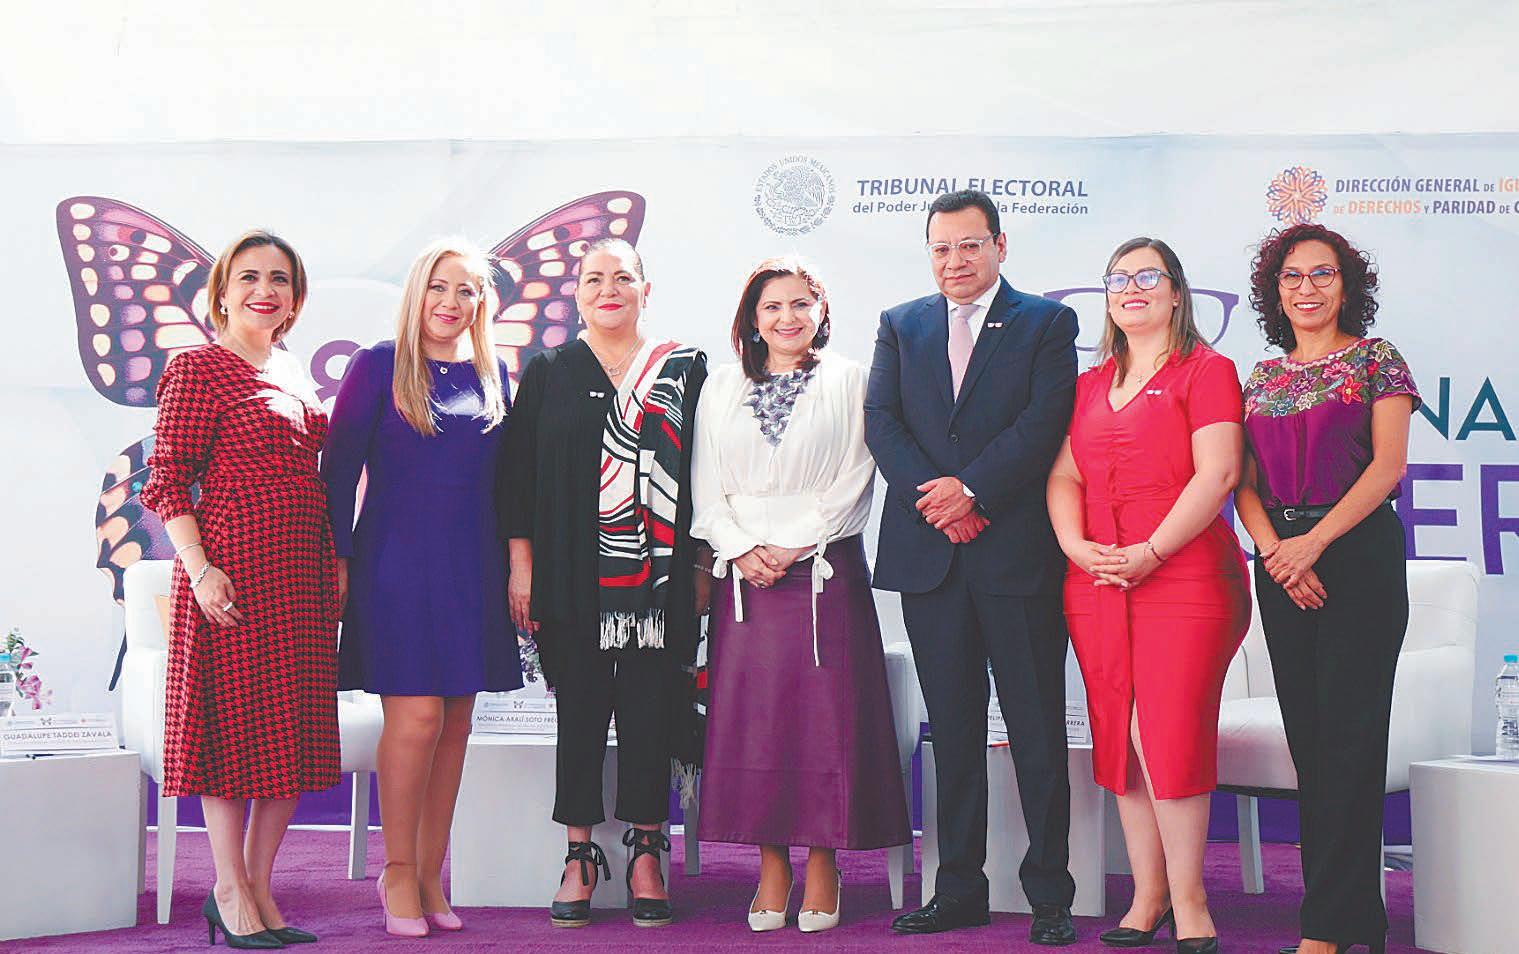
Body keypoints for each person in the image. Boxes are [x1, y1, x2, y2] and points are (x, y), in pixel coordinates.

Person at [865, 189, 1079, 945]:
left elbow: (1043, 421)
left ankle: (1049, 894)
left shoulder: (1046, 323)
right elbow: (881, 421)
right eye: (941, 248)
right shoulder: (901, 323)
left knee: (1035, 730)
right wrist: (940, 501)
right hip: (932, 559)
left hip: (1016, 557)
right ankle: (957, 889)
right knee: (952, 733)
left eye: (968, 245)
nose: (954, 260)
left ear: (999, 245)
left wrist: (973, 490)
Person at [692, 257, 911, 933]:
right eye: (771, 307)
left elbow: (857, 476)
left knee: (824, 723)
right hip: (743, 578)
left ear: (821, 312)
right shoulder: (721, 385)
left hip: (823, 570)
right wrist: (739, 547)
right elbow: (706, 485)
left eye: (800, 304)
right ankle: (771, 867)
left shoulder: (849, 379)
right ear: (751, 320)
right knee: (756, 722)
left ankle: (822, 862)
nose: (787, 318)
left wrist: (793, 545)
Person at [1047, 237, 1249, 954]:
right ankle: (1148, 894)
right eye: (1117, 278)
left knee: (1164, 732)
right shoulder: (1088, 385)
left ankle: (1191, 900)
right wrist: (1075, 547)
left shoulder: (1208, 370)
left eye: (1147, 276)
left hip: (1185, 579)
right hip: (1097, 580)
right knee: (1120, 737)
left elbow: (1218, 473)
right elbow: (1064, 476)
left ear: (1175, 293)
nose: (1131, 288)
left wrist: (1152, 552)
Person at [501, 237, 707, 929]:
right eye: (593, 278)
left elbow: (707, 474)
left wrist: (702, 568)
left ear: (646, 289)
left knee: (653, 707)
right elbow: (518, 478)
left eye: (622, 277)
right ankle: (579, 853)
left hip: (660, 579)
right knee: (581, 711)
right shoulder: (549, 369)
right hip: (568, 573)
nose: (608, 289)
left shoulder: (683, 369)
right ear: (576, 293)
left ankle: (647, 849)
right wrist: (522, 568)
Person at [140, 230, 337, 950]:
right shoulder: (197, 368)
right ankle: (227, 888)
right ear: (221, 291)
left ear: (295, 297)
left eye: (279, 279)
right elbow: (166, 479)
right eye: (249, 277)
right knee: (231, 735)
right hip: (234, 574)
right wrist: (200, 569)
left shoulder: (291, 368)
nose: (265, 290)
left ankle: (256, 888)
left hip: (301, 575)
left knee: (290, 736)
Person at [322, 238, 521, 937]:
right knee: (417, 721)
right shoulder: (378, 364)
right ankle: (398, 871)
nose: (450, 302)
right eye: (439, 286)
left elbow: (507, 482)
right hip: (395, 567)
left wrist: (517, 566)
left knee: (456, 723)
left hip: (473, 567)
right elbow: (337, 472)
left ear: (482, 302)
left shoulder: (495, 372)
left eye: (466, 290)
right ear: (417, 292)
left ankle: (433, 876)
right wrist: (339, 560)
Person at [1235, 224, 1418, 954]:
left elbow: (1387, 468)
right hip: (1280, 564)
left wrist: (1312, 544)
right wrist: (1276, 552)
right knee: (1311, 749)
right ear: (1274, 292)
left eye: (1322, 274)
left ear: (1347, 286)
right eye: (1291, 276)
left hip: (1357, 557)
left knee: (1350, 743)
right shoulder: (1259, 378)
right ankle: (1353, 922)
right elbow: (1242, 484)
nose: (1306, 288)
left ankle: (1326, 930)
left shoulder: (1377, 360)